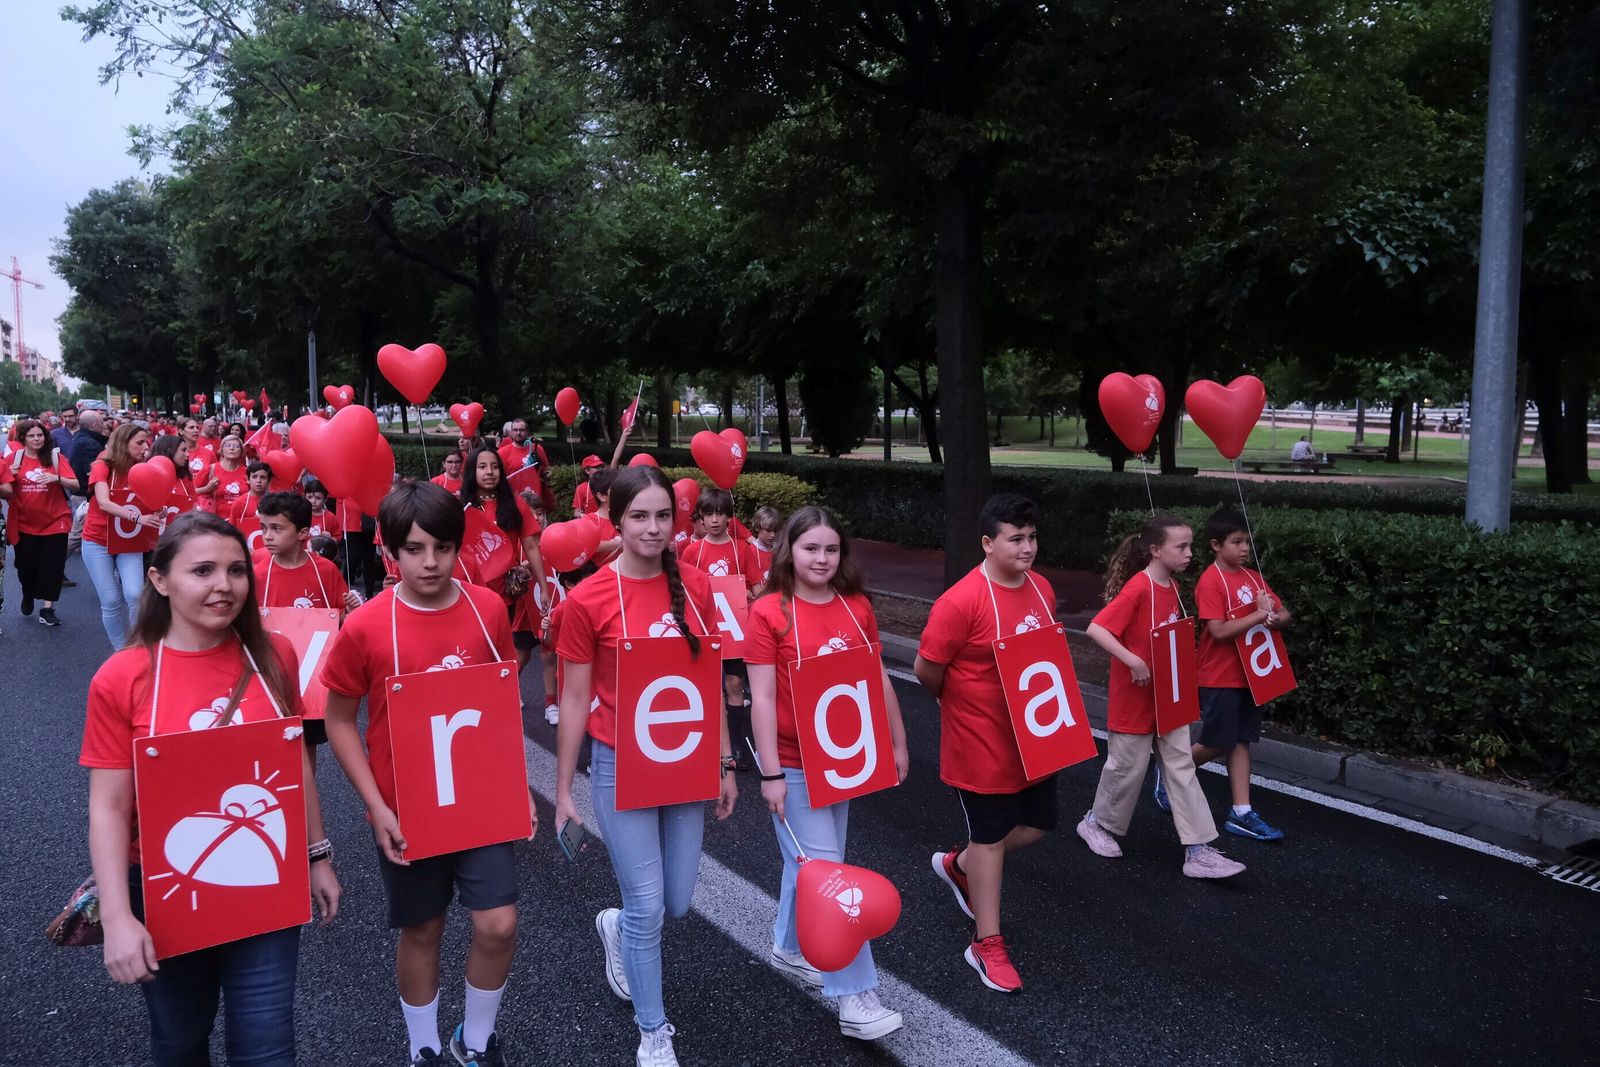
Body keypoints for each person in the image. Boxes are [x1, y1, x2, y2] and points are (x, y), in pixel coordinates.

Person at [80, 512, 341, 1064]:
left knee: (268, 1047)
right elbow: (107, 806)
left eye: (236, 570)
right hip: (165, 884)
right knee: (179, 1042)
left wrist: (317, 856)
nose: (224, 585)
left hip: (265, 878)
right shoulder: (123, 676)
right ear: (159, 580)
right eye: (202, 570)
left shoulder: (274, 656)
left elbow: (294, 763)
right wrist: (120, 916)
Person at [321, 482, 528, 1066]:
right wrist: (377, 806)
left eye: (442, 547)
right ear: (390, 552)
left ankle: (477, 1040)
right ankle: (425, 1048)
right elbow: (338, 719)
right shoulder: (366, 625)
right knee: (423, 929)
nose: (430, 561)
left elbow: (500, 698)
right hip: (406, 806)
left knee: (498, 924)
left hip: (479, 800)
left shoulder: (487, 609)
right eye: (414, 549)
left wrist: (514, 786)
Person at [554, 466, 737, 1067]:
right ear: (617, 519)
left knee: (679, 902)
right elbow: (575, 698)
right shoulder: (587, 599)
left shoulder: (699, 587)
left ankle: (615, 927)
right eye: (639, 516)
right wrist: (563, 792)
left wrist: (725, 762)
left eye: (663, 515)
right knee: (649, 905)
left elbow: (709, 681)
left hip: (683, 762)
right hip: (617, 763)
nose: (653, 528)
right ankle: (654, 1031)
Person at [747, 506, 907, 1040]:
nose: (821, 558)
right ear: (788, 550)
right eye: (811, 547)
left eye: (831, 549)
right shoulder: (769, 611)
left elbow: (876, 677)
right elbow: (762, 699)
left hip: (844, 759)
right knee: (830, 875)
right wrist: (769, 772)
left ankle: (789, 945)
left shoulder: (855, 605)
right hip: (792, 764)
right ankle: (854, 995)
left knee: (811, 863)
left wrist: (896, 741)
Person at [913, 493, 1063, 994]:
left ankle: (960, 865)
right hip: (981, 743)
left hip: (1036, 737)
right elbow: (926, 670)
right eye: (1015, 538)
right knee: (992, 838)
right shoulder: (960, 601)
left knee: (1041, 823)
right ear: (987, 542)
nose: (1027, 548)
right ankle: (986, 943)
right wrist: (961, 707)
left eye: (1032, 537)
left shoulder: (1042, 588)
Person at [1076, 513, 1247, 880]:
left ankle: (1199, 850)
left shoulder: (1170, 586)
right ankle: (1096, 823)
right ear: (1155, 550)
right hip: (1135, 699)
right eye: (1181, 546)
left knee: (1182, 768)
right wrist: (1132, 660)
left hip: (1167, 699)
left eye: (1189, 545)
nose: (1189, 553)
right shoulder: (1139, 587)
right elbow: (1097, 628)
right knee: (1126, 769)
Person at [1189, 509, 1292, 841]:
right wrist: (1260, 615)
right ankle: (1174, 767)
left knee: (1241, 740)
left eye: (1247, 541)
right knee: (1219, 740)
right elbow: (1217, 631)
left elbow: (1283, 612)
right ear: (1216, 545)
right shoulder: (1210, 581)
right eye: (1237, 542)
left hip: (1252, 675)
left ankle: (1241, 812)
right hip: (1219, 675)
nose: (1245, 548)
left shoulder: (1252, 578)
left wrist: (1275, 618)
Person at [679, 489, 763, 768]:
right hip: (706, 628)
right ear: (700, 517)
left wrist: (755, 595)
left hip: (737, 630)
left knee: (735, 684)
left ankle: (736, 748)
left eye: (719, 513)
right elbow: (685, 591)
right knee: (707, 686)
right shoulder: (692, 551)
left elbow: (757, 588)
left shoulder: (743, 549)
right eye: (708, 514)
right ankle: (708, 746)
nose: (714, 520)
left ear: (728, 515)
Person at [461, 446, 548, 671]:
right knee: (472, 648)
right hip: (468, 592)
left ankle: (503, 694)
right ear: (472, 471)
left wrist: (543, 587)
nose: (489, 472)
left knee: (500, 647)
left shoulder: (516, 503)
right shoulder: (460, 508)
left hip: (505, 595)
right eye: (482, 467)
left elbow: (531, 545)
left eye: (494, 466)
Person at [84, 422, 162, 648]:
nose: (145, 447)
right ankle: (120, 650)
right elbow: (104, 503)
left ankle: (136, 646)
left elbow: (151, 501)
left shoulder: (143, 469)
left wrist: (158, 509)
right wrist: (139, 518)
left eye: (146, 442)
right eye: (139, 443)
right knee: (110, 600)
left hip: (129, 541)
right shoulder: (102, 466)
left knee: (135, 595)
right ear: (123, 443)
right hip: (98, 540)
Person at [7, 418, 79, 626]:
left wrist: (56, 478)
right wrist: (9, 478)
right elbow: (6, 489)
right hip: (24, 523)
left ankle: (47, 609)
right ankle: (28, 593)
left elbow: (75, 484)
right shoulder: (15, 459)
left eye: (40, 435)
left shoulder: (55, 458)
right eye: (31, 436)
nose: (36, 439)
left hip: (55, 521)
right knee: (25, 567)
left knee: (53, 567)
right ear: (23, 439)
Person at [255, 492, 361, 614]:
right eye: (263, 528)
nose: (267, 536)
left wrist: (351, 611)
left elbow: (339, 617)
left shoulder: (326, 570)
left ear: (302, 533)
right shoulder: (259, 575)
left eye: (277, 528)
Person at [495, 417, 557, 514]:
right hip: (514, 502)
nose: (518, 433)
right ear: (511, 432)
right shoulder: (502, 453)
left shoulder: (537, 449)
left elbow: (546, 471)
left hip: (536, 502)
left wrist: (547, 476)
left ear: (527, 431)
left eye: (522, 430)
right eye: (515, 430)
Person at [225, 461, 272, 529]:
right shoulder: (239, 503)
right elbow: (232, 530)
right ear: (248, 479)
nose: (258, 480)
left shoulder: (275, 502)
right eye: (254, 477)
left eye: (263, 477)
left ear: (269, 481)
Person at [211, 436, 250, 514]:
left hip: (241, 519)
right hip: (216, 521)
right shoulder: (211, 469)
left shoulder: (248, 472)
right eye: (228, 445)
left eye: (236, 446)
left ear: (241, 452)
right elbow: (193, 492)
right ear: (222, 450)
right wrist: (207, 488)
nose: (232, 448)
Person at [747, 506, 783, 586]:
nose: (773, 535)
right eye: (768, 530)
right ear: (757, 528)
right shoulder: (750, 552)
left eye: (775, 530)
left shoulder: (781, 551)